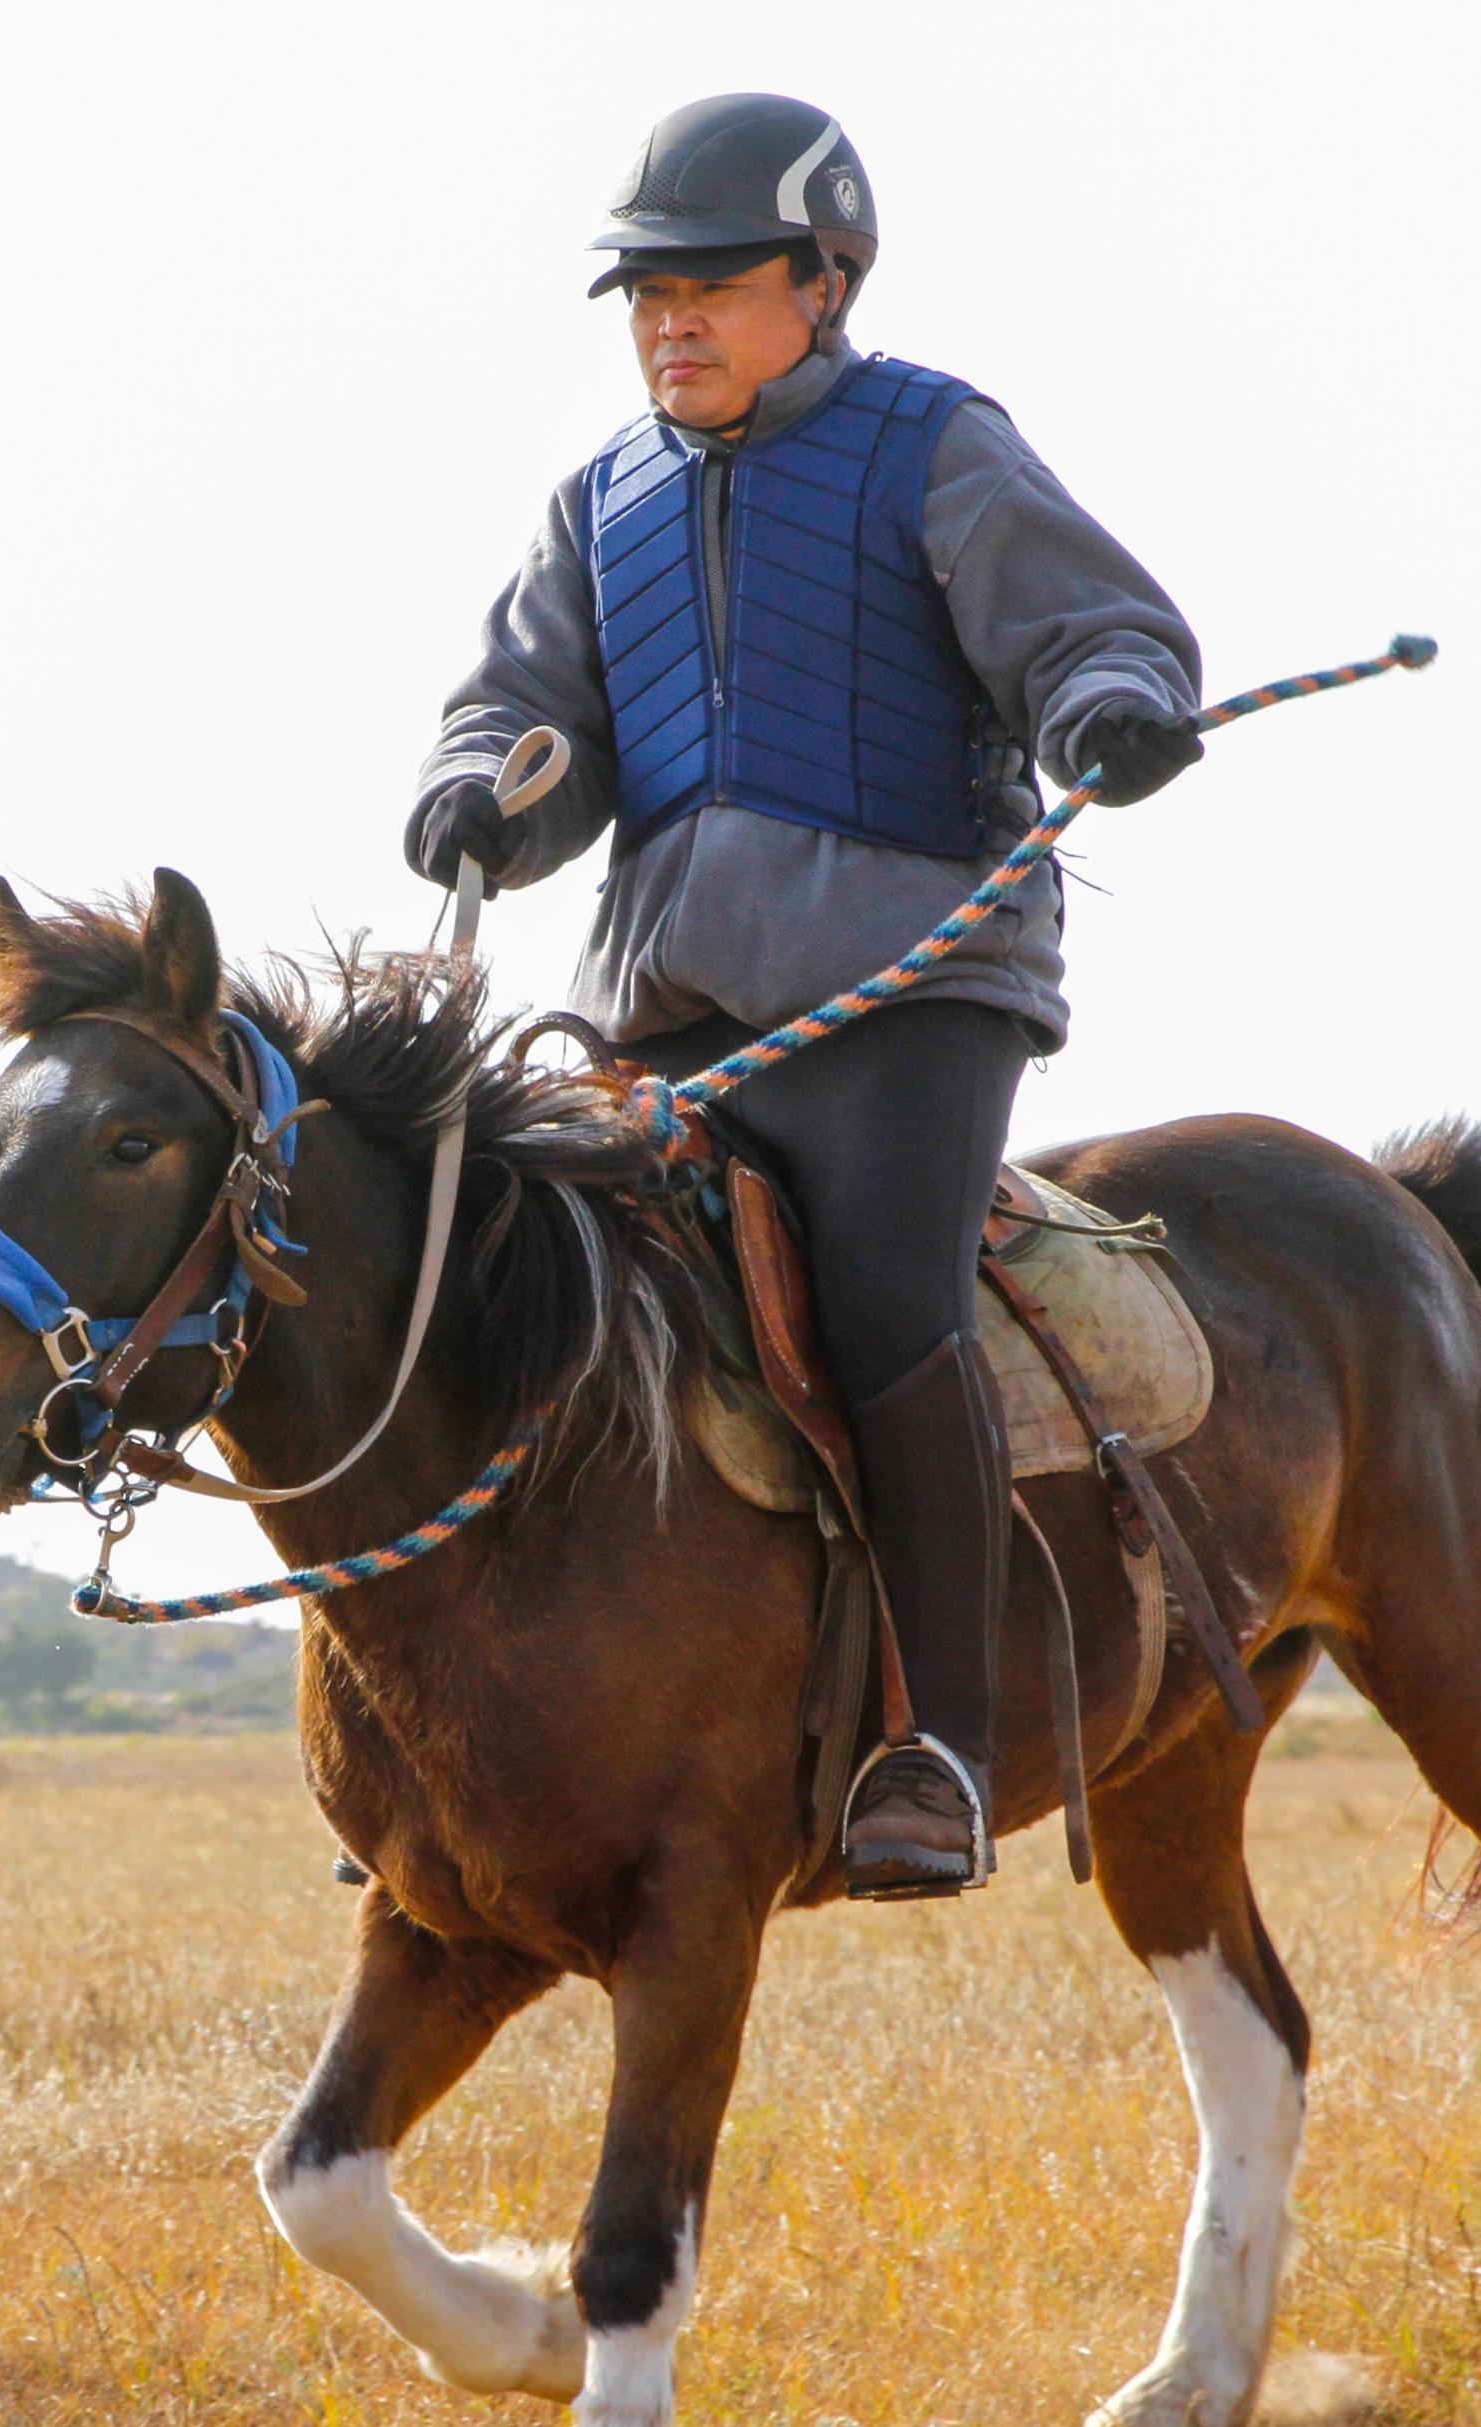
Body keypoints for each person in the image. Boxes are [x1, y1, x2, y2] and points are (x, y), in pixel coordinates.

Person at [412, 91, 1204, 1898]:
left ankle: (941, 1745)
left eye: (709, 285)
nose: (668, 321)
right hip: (665, 1013)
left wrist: (1107, 704)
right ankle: (492, 1749)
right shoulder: (597, 501)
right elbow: (522, 712)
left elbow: (1102, 630)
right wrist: (479, 788)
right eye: (646, 295)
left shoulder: (938, 442)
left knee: (880, 1307)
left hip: (907, 992)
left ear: (825, 281)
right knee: (522, 1295)